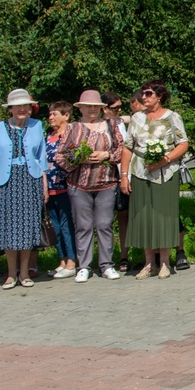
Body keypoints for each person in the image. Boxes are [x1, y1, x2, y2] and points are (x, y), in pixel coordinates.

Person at [121, 80, 189, 281]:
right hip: (140, 172)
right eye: (143, 93)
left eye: (149, 93)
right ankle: (148, 262)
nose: (144, 97)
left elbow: (183, 143)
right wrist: (124, 176)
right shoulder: (136, 118)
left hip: (165, 173)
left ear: (160, 96)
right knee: (143, 217)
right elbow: (127, 147)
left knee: (164, 216)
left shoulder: (172, 117)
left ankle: (165, 262)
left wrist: (165, 159)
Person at [56, 90, 123, 283]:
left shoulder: (111, 125)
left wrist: (106, 156)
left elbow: (122, 149)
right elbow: (60, 155)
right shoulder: (72, 128)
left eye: (95, 106)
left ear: (101, 108)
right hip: (79, 184)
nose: (92, 109)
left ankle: (107, 265)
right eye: (88, 106)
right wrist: (78, 158)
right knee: (83, 226)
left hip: (106, 182)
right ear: (81, 108)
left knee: (104, 225)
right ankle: (84, 266)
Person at [0, 89, 48, 290]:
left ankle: (24, 272)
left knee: (28, 228)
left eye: (26, 105)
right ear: (10, 109)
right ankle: (11, 274)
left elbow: (41, 157)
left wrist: (45, 185)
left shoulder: (37, 126)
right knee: (9, 229)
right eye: (17, 106)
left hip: (31, 180)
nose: (22, 109)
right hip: (6, 182)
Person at [44, 101, 78, 279]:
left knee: (67, 225)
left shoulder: (71, 135)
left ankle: (72, 261)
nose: (50, 117)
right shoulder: (49, 136)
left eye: (54, 114)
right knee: (55, 226)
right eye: (49, 114)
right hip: (49, 189)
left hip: (66, 187)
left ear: (66, 115)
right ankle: (62, 260)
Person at [101, 91, 133, 273]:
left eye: (121, 107)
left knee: (123, 216)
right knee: (104, 220)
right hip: (105, 175)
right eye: (115, 108)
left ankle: (124, 255)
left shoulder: (120, 121)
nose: (119, 110)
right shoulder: (98, 125)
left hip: (122, 173)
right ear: (104, 108)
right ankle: (105, 258)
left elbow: (138, 114)